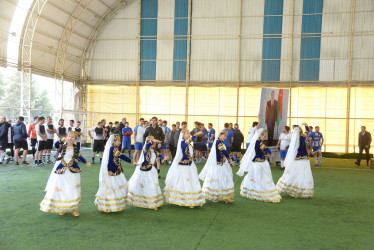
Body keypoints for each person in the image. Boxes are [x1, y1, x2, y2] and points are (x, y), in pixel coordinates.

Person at [40, 131, 91, 216]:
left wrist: (86, 162)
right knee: (62, 188)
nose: (71, 138)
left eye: (73, 137)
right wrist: (63, 139)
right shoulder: (62, 146)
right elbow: (56, 144)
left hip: (73, 170)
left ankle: (74, 209)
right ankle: (62, 208)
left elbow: (80, 156)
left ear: (75, 139)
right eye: (70, 136)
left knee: (73, 189)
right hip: (62, 170)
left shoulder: (75, 148)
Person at [237, 129, 281, 203]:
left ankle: (260, 189)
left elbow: (264, 148)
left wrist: (269, 153)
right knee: (258, 177)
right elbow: (265, 148)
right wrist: (270, 153)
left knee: (262, 177)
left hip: (262, 162)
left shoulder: (260, 142)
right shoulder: (257, 142)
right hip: (259, 163)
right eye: (263, 136)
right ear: (260, 135)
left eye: (265, 136)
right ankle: (258, 191)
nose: (264, 137)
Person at [164, 130, 205, 208]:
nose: (189, 134)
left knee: (192, 181)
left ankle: (192, 199)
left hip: (190, 165)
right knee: (185, 182)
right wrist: (196, 134)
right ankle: (187, 201)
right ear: (183, 135)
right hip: (184, 166)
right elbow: (187, 142)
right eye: (187, 133)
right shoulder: (182, 142)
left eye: (189, 133)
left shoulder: (189, 143)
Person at [95, 134, 135, 213]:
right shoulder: (113, 149)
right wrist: (133, 162)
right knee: (113, 187)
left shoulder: (112, 148)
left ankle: (107, 205)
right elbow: (122, 157)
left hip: (114, 171)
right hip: (113, 172)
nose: (120, 142)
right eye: (118, 141)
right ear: (114, 141)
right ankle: (108, 205)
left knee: (111, 187)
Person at [276, 123, 314, 199]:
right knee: (304, 174)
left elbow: (293, 146)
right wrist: (306, 126)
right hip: (305, 158)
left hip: (298, 158)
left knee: (294, 172)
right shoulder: (304, 136)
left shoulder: (296, 138)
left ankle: (289, 187)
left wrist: (287, 147)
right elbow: (308, 134)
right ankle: (301, 190)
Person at [127, 136, 164, 210]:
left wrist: (163, 156)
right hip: (145, 169)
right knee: (143, 184)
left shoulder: (154, 151)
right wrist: (155, 141)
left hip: (152, 170)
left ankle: (153, 202)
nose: (154, 144)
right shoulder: (145, 149)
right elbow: (147, 145)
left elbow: (161, 156)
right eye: (152, 142)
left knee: (152, 185)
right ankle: (148, 202)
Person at [199, 129, 236, 204]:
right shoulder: (218, 142)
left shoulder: (221, 142)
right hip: (218, 165)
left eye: (226, 136)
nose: (225, 137)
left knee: (225, 179)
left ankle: (226, 197)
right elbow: (223, 151)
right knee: (218, 180)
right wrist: (230, 160)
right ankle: (216, 196)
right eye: (224, 136)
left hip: (222, 164)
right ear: (220, 135)